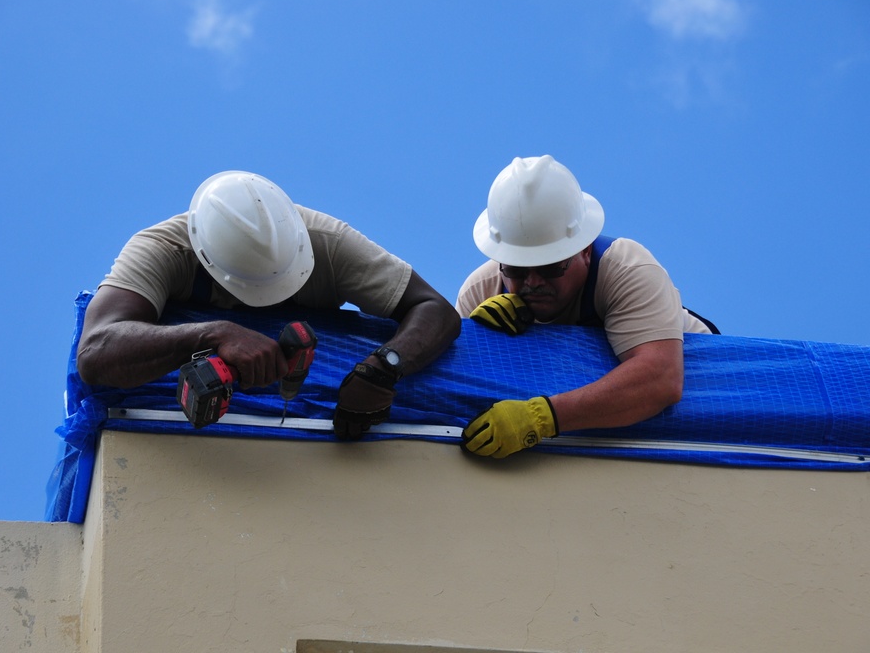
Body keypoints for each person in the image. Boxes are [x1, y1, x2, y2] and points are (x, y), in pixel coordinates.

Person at [77, 170, 460, 440]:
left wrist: (382, 369)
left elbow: (434, 309)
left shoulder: (326, 242)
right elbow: (96, 352)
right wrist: (214, 333)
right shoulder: (164, 248)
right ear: (207, 257)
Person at [456, 155, 717, 458]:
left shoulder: (626, 267)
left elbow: (660, 380)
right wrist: (476, 341)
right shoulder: (480, 291)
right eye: (517, 269)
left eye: (550, 267)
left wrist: (543, 418)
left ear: (585, 252)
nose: (533, 281)